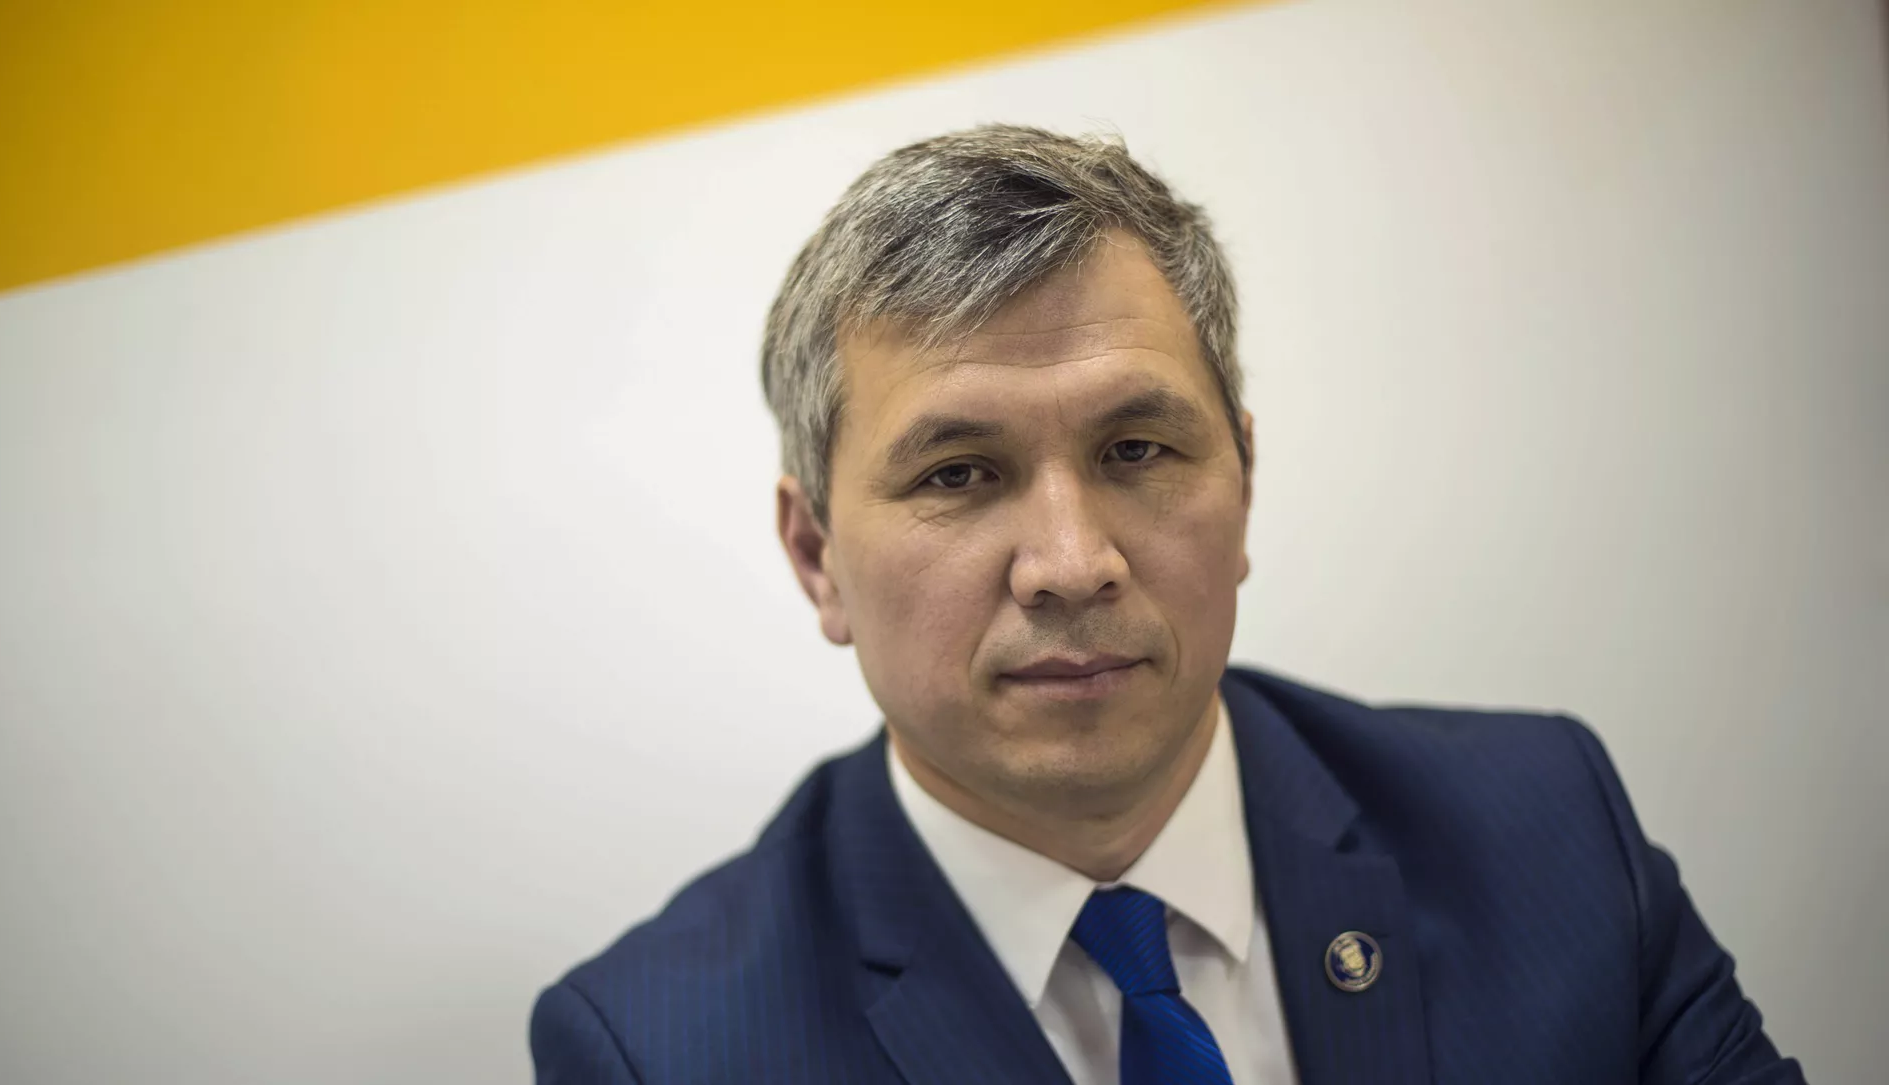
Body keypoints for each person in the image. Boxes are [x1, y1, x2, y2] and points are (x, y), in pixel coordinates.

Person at [530, 125, 1804, 1085]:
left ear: (1243, 482)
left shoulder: (1547, 833)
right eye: (959, 474)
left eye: (1136, 449)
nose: (1072, 562)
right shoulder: (658, 1047)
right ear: (816, 556)